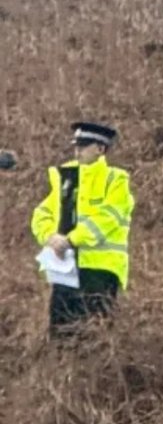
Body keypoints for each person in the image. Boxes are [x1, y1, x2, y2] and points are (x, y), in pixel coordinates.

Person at [30, 122, 135, 337]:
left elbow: (107, 218)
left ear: (100, 149)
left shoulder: (115, 179)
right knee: (60, 333)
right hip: (65, 267)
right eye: (76, 146)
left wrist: (70, 240)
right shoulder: (66, 179)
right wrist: (50, 237)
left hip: (100, 270)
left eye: (84, 146)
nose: (77, 151)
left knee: (94, 334)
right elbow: (42, 214)